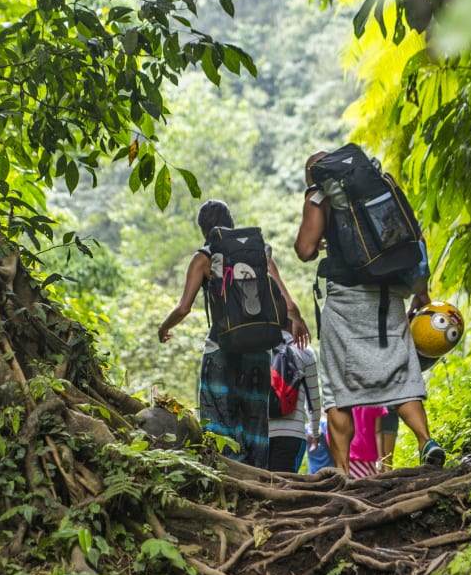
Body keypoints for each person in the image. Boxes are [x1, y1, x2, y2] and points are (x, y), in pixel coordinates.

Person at [294, 151, 446, 473]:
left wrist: (320, 238)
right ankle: (426, 441)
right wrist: (421, 290)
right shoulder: (378, 184)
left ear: (315, 174)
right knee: (402, 376)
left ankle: (342, 472)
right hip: (389, 295)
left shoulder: (320, 193)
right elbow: (412, 236)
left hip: (345, 303)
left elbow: (304, 250)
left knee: (338, 392)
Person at [158, 199, 310, 469]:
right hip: (258, 354)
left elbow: (183, 308)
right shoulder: (259, 253)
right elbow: (288, 304)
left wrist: (164, 327)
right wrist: (298, 321)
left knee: (219, 423)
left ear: (203, 228)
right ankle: (257, 479)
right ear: (231, 223)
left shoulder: (204, 257)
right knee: (256, 424)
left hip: (221, 350)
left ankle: (230, 480)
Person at [267, 320, 321, 473]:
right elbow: (313, 400)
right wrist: (314, 432)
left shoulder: (258, 347)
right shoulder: (304, 351)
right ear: (292, 323)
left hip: (260, 432)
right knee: (285, 484)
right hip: (292, 434)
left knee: (258, 483)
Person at [348, 406, 386, 478]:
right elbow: (378, 431)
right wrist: (380, 459)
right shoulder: (377, 404)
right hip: (372, 453)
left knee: (354, 483)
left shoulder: (347, 403)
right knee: (374, 482)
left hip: (351, 452)